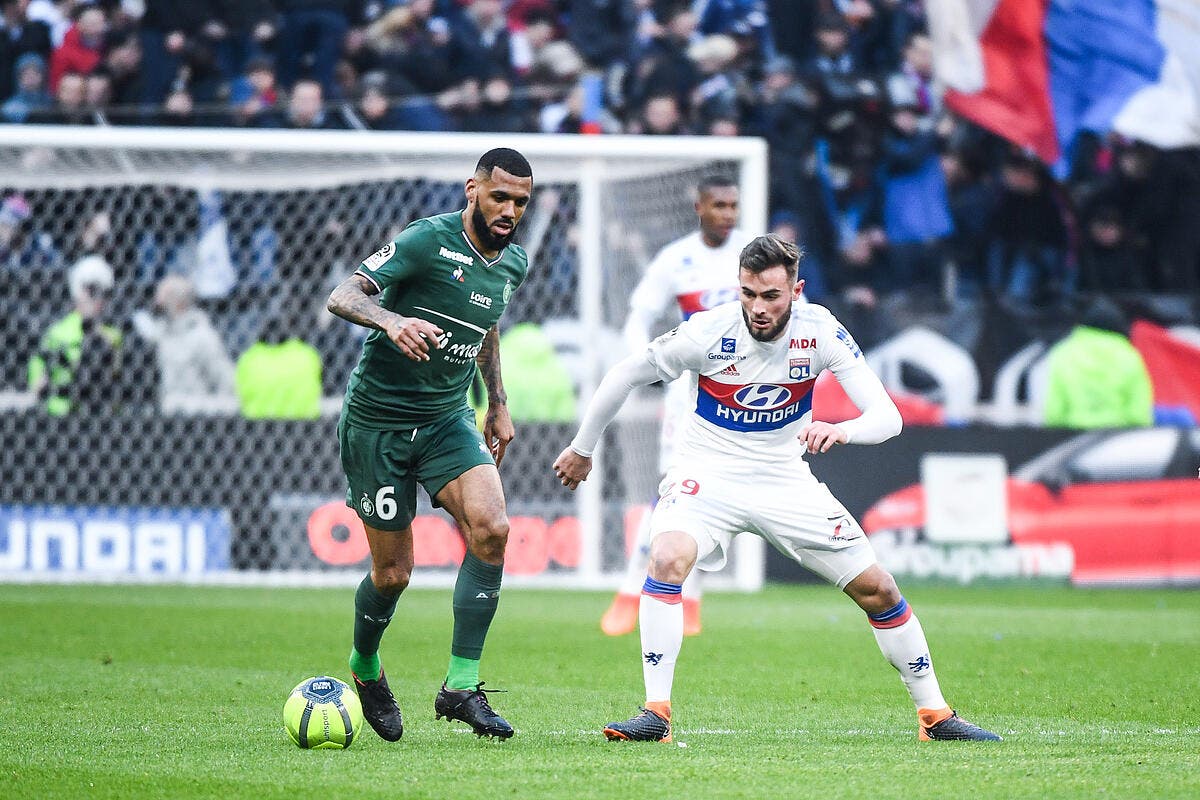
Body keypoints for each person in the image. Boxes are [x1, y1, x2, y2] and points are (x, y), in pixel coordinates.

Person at [553, 234, 1000, 743]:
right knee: (667, 557)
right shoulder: (708, 331)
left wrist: (842, 429)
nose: (758, 308)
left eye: (771, 296)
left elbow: (887, 417)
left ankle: (935, 717)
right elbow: (626, 373)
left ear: (796, 290)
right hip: (708, 473)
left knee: (879, 589)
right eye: (748, 294)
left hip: (785, 480)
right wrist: (583, 447)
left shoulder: (821, 329)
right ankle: (656, 713)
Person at [325, 148, 534, 742]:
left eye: (520, 201)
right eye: (500, 197)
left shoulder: (512, 263)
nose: (510, 210)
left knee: (492, 528)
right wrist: (391, 322)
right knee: (393, 575)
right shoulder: (424, 240)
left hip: (446, 419)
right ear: (473, 189)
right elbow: (343, 294)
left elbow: (486, 321)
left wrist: (496, 400)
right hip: (379, 426)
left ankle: (461, 687)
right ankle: (365, 666)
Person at [600, 174, 754, 638]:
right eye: (719, 205)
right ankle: (634, 592)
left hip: (747, 393)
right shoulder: (677, 258)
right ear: (699, 207)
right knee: (673, 489)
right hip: (690, 391)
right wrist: (646, 364)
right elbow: (639, 316)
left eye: (733, 205)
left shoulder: (755, 254)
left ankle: (690, 598)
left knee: (714, 491)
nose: (727, 213)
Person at [28, 255, 123, 416]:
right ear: (78, 291)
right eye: (92, 290)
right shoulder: (57, 333)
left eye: (104, 292)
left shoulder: (113, 335)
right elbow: (37, 383)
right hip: (61, 413)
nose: (98, 298)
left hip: (103, 413)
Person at [1043, 296, 1153, 429]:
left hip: (1074, 437)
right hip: (1118, 439)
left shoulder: (1064, 353)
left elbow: (1055, 413)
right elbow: (1139, 414)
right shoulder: (1129, 356)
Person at [132, 274, 237, 413]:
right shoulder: (162, 333)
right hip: (165, 413)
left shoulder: (203, 336)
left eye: (164, 298)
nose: (158, 303)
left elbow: (226, 380)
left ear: (179, 302)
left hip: (193, 414)